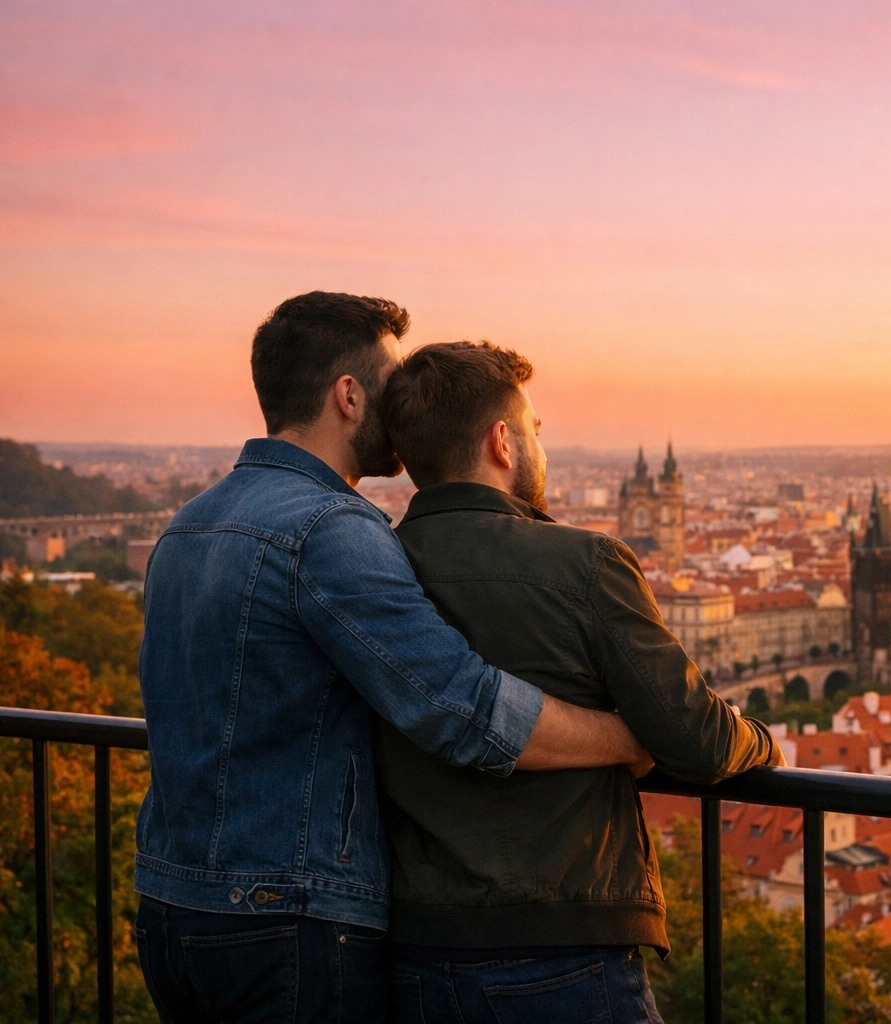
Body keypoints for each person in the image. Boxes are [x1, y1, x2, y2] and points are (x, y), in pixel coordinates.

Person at [134, 293, 653, 1024]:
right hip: (288, 918)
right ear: (348, 396)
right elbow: (460, 709)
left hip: (170, 906)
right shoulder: (330, 528)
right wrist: (630, 736)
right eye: (390, 383)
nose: (403, 406)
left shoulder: (188, 526)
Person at [377, 340, 783, 1024]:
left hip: (408, 948)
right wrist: (763, 742)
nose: (542, 447)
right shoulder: (585, 563)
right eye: (535, 431)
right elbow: (701, 743)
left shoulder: (369, 569)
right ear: (501, 442)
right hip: (561, 945)